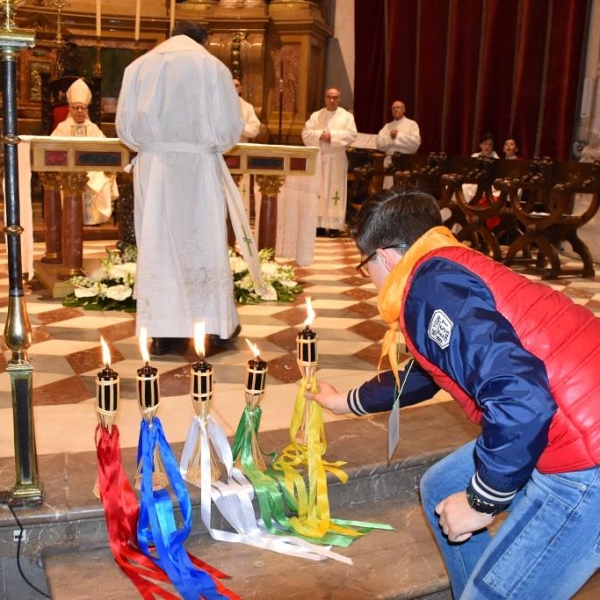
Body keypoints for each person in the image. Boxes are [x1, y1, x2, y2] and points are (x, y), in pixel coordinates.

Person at [308, 186, 600, 599]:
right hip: (570, 410)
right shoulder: (448, 264)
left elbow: (520, 397)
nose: (369, 276)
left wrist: (481, 502)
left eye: (365, 264)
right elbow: (436, 368)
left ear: (386, 256)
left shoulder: (428, 288)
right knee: (442, 486)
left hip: (583, 456)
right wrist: (347, 401)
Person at [116, 20, 257, 356]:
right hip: (197, 169)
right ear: (204, 39)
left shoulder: (139, 66)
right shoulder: (214, 67)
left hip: (155, 168)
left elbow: (125, 128)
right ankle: (212, 326)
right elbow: (228, 129)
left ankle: (165, 333)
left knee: (159, 246)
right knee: (203, 243)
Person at [51, 78, 119, 225]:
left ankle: (95, 219)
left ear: (87, 110)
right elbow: (51, 150)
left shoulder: (93, 128)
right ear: (70, 109)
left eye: (82, 108)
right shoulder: (62, 128)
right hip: (68, 169)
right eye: (76, 108)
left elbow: (105, 149)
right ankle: (70, 216)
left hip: (91, 168)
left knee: (103, 177)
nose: (80, 111)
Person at [301, 87, 357, 238]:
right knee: (319, 189)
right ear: (325, 98)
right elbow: (305, 133)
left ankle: (334, 226)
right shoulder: (316, 115)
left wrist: (331, 135)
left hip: (336, 158)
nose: (332, 100)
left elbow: (352, 134)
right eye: (329, 97)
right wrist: (320, 134)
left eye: (335, 98)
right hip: (319, 157)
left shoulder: (346, 117)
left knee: (335, 190)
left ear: (339, 99)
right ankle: (318, 225)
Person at [375, 101, 421, 188]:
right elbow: (379, 145)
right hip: (390, 163)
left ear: (404, 110)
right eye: (393, 108)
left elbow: (415, 144)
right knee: (390, 191)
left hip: (407, 163)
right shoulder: (387, 126)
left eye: (398, 107)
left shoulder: (412, 124)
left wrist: (398, 136)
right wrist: (390, 137)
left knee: (406, 193)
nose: (396, 109)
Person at [232, 78, 261, 143]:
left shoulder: (248, 107)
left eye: (236, 85)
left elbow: (255, 129)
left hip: (241, 150)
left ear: (240, 89)